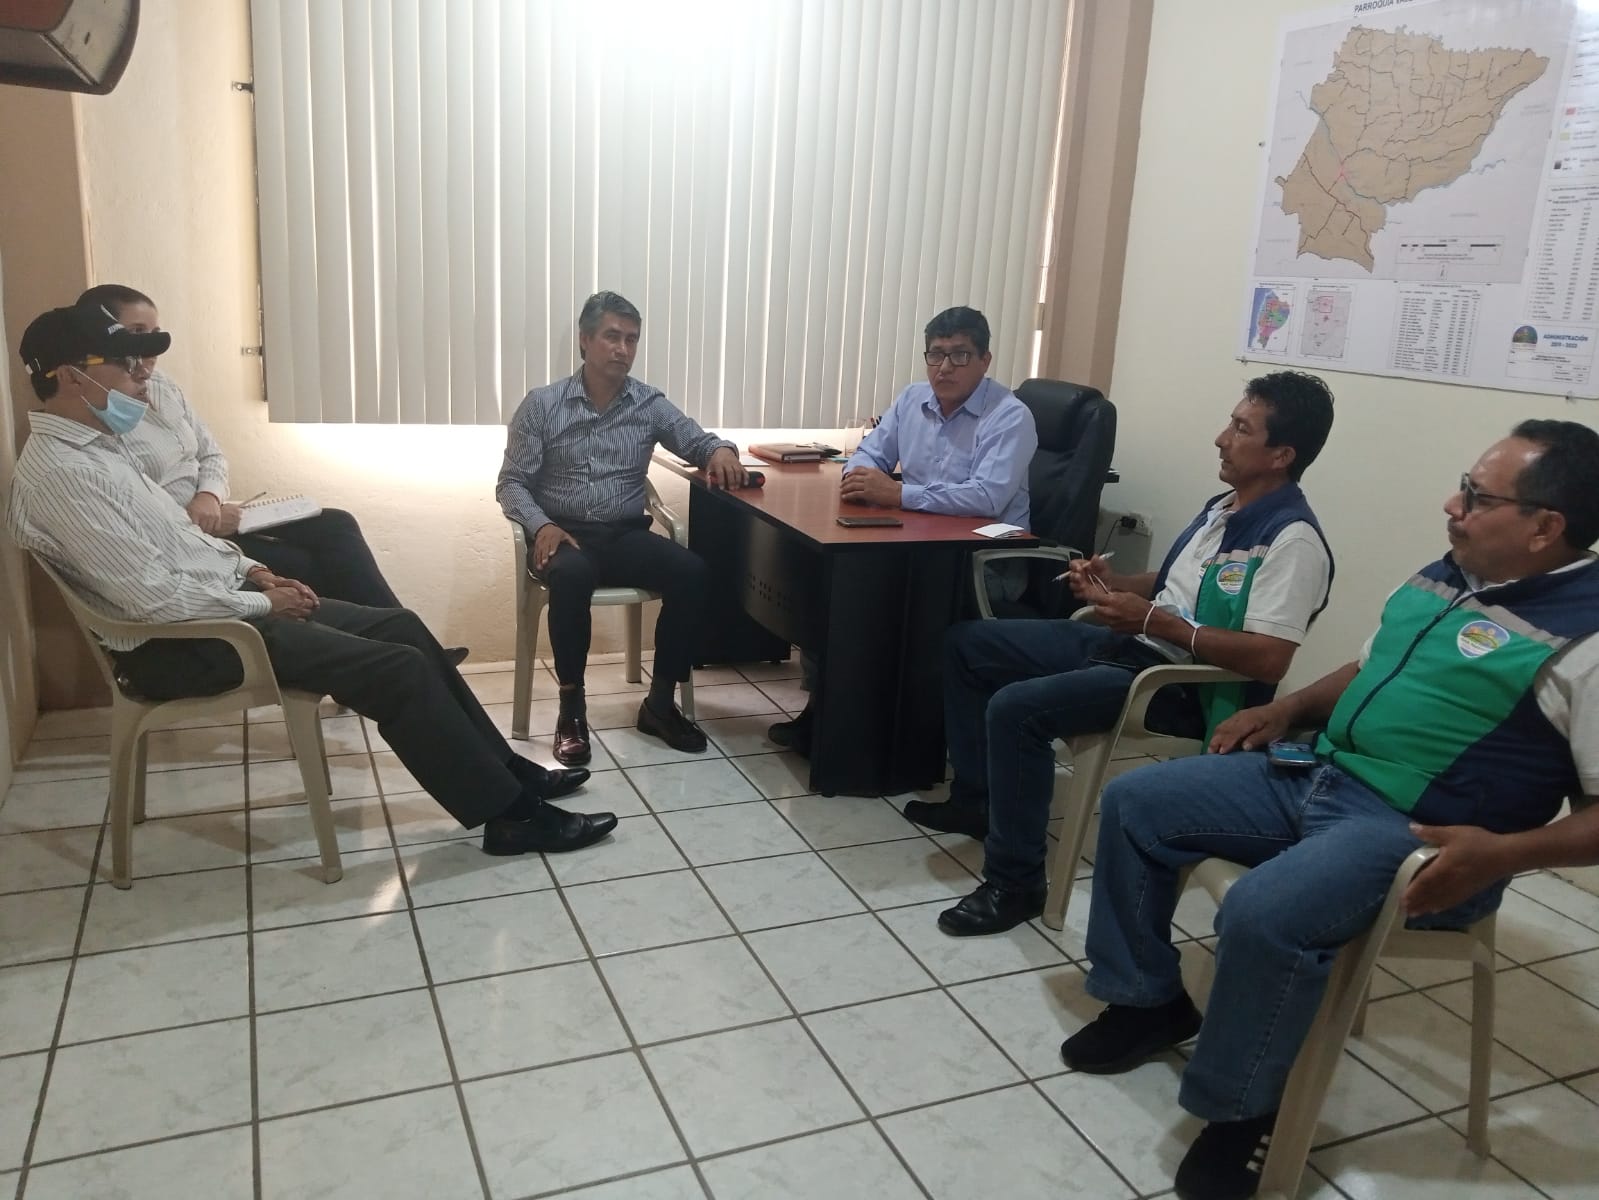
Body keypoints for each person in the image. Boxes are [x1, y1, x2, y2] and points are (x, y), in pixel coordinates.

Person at [1062, 420, 1599, 1200]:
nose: (1451, 505)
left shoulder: (1585, 640)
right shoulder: (1449, 572)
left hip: (1417, 835)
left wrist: (1503, 854)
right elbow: (1370, 665)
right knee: (1135, 802)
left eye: (1476, 497)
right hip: (1318, 771)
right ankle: (1148, 1003)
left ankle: (1242, 1114)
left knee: (1262, 911)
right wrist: (1286, 710)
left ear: (1544, 527)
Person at [10, 301, 611, 858]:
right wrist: (262, 605)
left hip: (219, 609)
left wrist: (254, 570)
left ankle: (508, 772)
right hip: (182, 643)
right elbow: (150, 598)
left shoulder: (102, 447)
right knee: (398, 670)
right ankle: (510, 816)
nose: (142, 375)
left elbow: (180, 540)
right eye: (124, 363)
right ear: (71, 376)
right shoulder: (63, 474)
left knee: (401, 626)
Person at [922, 371, 1336, 937]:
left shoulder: (1292, 541)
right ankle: (978, 800)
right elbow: (1174, 588)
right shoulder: (1225, 508)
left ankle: (1015, 882)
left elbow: (1269, 658)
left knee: (1016, 709)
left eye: (1242, 429)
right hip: (1133, 645)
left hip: (1177, 685)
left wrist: (1154, 621)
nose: (1221, 438)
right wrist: (1115, 585)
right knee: (968, 645)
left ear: (1281, 455)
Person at [72, 285, 467, 663]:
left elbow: (211, 454)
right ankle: (393, 653)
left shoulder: (163, 386)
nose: (150, 347)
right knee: (307, 565)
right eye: (137, 333)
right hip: (189, 534)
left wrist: (209, 497)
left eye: (155, 332)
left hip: (214, 512)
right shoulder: (104, 410)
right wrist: (198, 519)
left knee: (336, 524)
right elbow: (138, 503)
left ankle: (406, 649)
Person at [766, 306, 1038, 755]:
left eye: (959, 355)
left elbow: (986, 498)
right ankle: (827, 711)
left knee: (867, 596)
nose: (944, 367)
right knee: (829, 584)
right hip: (914, 544)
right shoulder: (913, 399)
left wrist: (897, 493)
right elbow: (870, 453)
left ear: (984, 360)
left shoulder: (1010, 417)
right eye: (936, 354)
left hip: (984, 560)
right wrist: (860, 475)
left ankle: (891, 733)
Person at [496, 290, 747, 766]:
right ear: (585, 340)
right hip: (565, 536)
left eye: (631, 339)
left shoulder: (648, 403)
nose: (622, 349)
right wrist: (540, 524)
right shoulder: (542, 405)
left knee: (693, 573)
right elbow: (511, 483)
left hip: (625, 535)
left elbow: (695, 440)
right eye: (612, 336)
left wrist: (720, 451)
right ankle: (572, 710)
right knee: (570, 577)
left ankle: (659, 704)